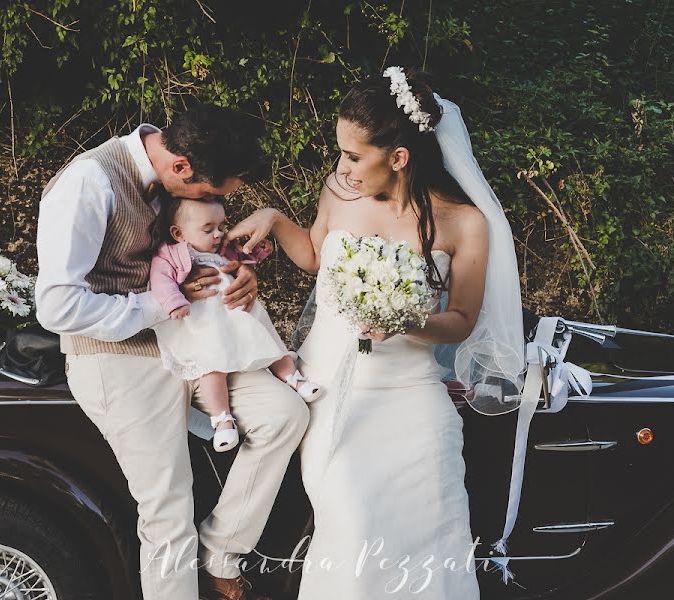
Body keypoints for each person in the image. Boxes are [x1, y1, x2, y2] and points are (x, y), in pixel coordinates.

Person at [225, 67, 525, 597]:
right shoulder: (340, 193)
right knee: (353, 523)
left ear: (399, 157)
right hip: (337, 397)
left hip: (413, 400)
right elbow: (316, 256)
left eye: (353, 155)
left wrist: (408, 320)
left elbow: (462, 320)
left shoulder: (464, 224)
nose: (342, 166)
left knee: (433, 536)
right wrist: (274, 217)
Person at [35, 104, 310, 600]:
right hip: (116, 355)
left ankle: (221, 548)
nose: (213, 203)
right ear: (180, 167)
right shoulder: (88, 183)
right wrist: (163, 303)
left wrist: (236, 272)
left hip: (195, 344)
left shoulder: (176, 175)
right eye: (209, 193)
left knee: (285, 413)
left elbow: (197, 251)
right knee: (167, 509)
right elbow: (57, 306)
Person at [150, 196, 323, 452]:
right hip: (205, 325)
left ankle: (294, 378)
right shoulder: (171, 254)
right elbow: (160, 279)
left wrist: (259, 248)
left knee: (268, 344)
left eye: (221, 226)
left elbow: (246, 257)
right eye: (208, 229)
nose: (218, 234)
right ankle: (222, 420)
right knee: (212, 369)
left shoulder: (220, 251)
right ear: (178, 233)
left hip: (237, 315)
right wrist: (174, 302)